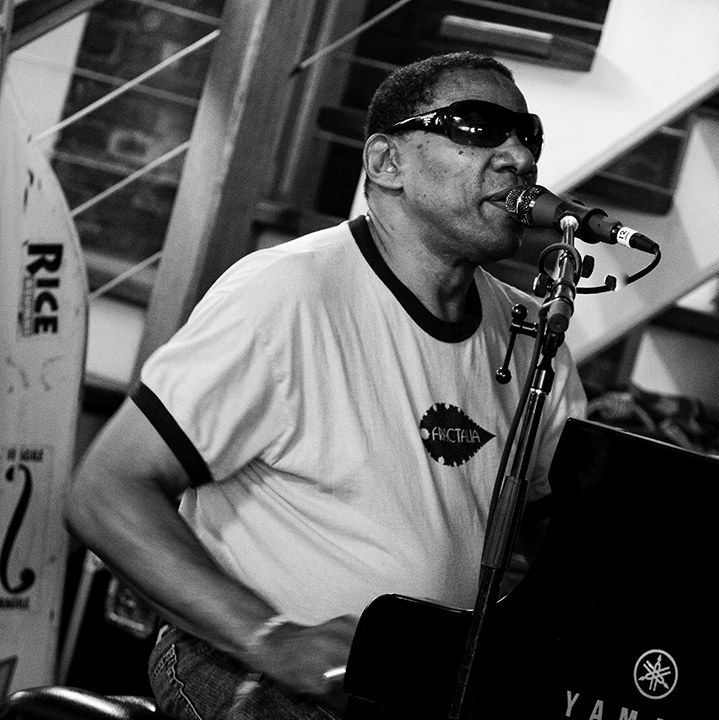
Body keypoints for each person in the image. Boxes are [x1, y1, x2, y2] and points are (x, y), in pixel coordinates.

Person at [64, 51, 586, 719]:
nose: (518, 153)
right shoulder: (287, 294)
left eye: (528, 134)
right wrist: (273, 640)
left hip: (417, 693)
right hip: (246, 666)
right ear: (385, 163)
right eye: (478, 126)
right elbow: (106, 490)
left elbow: (558, 534)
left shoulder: (533, 334)